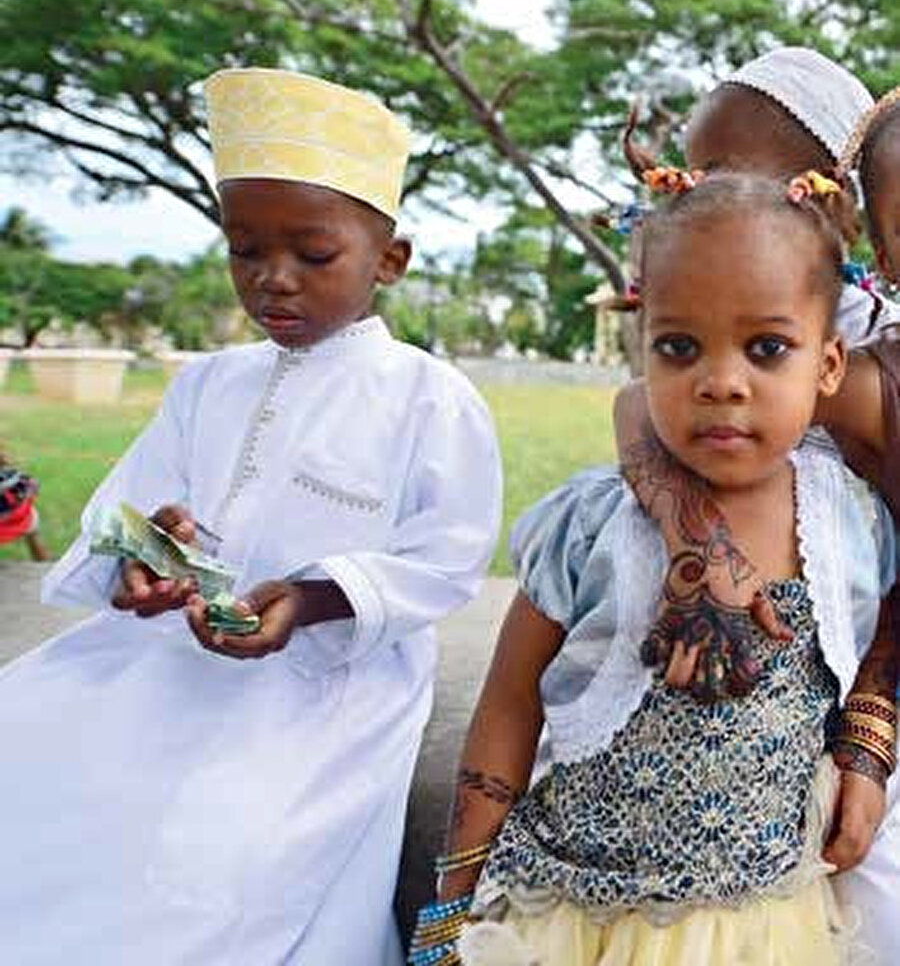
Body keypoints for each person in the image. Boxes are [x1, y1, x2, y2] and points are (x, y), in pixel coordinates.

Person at [0, 68, 502, 965]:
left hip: (325, 688)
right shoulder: (207, 383)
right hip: (165, 659)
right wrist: (146, 560)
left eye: (313, 256)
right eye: (244, 252)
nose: (273, 281)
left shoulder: (429, 397)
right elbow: (129, 511)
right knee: (39, 768)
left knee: (223, 857)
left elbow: (446, 559)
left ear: (390, 260)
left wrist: (311, 601)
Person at [408, 170, 894, 966]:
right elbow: (507, 703)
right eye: (679, 346)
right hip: (570, 921)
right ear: (640, 355)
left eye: (767, 348)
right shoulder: (588, 525)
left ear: (830, 364)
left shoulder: (854, 527)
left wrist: (865, 760)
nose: (721, 381)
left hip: (767, 928)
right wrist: (451, 901)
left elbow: (860, 668)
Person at [615, 51, 900, 924]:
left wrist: (871, 729)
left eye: (731, 179)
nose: (703, 203)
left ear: (839, 207)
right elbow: (635, 405)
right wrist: (697, 539)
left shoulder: (860, 357)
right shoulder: (765, 335)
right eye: (689, 180)